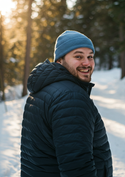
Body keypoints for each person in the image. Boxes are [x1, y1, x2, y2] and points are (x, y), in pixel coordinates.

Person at [21, 30, 113, 177]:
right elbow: (77, 167)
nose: (87, 63)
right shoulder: (71, 98)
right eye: (78, 56)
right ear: (60, 61)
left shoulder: (44, 90)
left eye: (90, 56)